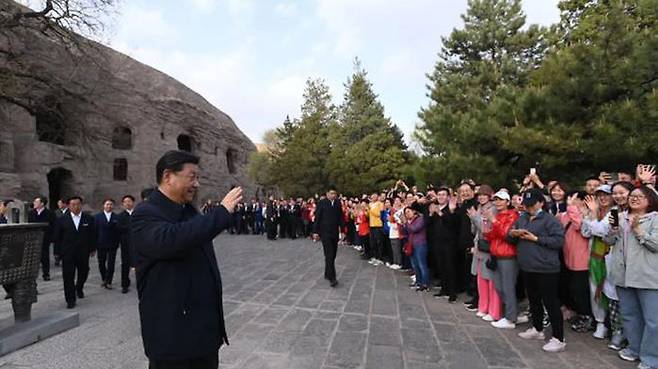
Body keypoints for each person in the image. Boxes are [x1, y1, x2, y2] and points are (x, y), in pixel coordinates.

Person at [130, 150, 242, 369]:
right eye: (192, 177)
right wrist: (221, 213)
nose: (197, 184)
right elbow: (172, 239)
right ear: (168, 176)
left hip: (204, 335)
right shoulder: (145, 213)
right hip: (173, 338)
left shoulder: (190, 212)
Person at [605, 186, 658, 368]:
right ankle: (634, 349)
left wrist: (638, 230)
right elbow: (608, 241)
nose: (634, 199)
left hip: (648, 277)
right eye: (632, 196)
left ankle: (651, 358)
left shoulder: (655, 218)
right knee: (629, 315)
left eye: (639, 196)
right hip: (623, 275)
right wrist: (613, 230)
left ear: (649, 199)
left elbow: (656, 244)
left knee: (653, 321)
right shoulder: (618, 217)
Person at [508, 188, 566, 353]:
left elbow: (558, 241)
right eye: (526, 204)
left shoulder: (550, 220)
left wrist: (536, 239)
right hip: (527, 266)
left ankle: (559, 338)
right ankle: (537, 328)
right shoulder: (522, 218)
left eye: (532, 204)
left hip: (546, 268)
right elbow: (510, 238)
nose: (529, 208)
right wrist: (513, 233)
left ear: (541, 203)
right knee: (533, 300)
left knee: (551, 302)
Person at [52, 196, 97, 309]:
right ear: (68, 206)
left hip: (83, 251)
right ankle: (70, 300)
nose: (76, 207)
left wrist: (93, 248)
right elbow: (57, 238)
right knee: (68, 276)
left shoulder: (88, 219)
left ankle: (79, 287)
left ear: (81, 205)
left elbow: (93, 235)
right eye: (73, 204)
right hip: (68, 253)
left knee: (84, 271)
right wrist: (57, 253)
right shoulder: (62, 220)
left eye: (78, 204)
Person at [487, 191, 522, 329]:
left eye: (501, 200)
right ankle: (513, 313)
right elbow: (493, 236)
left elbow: (506, 234)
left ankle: (510, 319)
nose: (498, 202)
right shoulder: (498, 216)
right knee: (499, 287)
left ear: (508, 202)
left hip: (508, 256)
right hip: (496, 254)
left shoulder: (513, 215)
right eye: (496, 200)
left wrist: (494, 222)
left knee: (507, 288)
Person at [466, 185, 500, 318]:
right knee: (480, 279)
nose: (481, 197)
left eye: (484, 195)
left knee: (490, 280)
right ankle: (483, 306)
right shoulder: (479, 208)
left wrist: (475, 218)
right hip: (478, 247)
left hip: (489, 248)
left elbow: (488, 230)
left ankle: (494, 311)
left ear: (490, 196)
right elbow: (474, 230)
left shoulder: (493, 209)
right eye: (479, 195)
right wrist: (474, 219)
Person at [428, 187, 459, 302]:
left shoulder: (452, 209)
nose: (441, 197)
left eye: (443, 194)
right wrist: (431, 214)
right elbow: (428, 225)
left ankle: (452, 292)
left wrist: (440, 213)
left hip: (449, 243)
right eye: (439, 194)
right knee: (440, 266)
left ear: (448, 197)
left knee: (450, 267)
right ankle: (444, 289)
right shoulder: (434, 208)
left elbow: (452, 224)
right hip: (437, 242)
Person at [312, 185, 344, 288]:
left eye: (334, 193)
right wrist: (315, 232)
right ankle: (332, 278)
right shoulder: (322, 203)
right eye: (331, 193)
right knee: (329, 254)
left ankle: (327, 273)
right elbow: (317, 218)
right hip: (325, 233)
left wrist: (343, 230)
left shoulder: (338, 203)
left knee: (333, 255)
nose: (333, 195)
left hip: (334, 232)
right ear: (327, 194)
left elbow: (341, 218)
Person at [27, 196, 56, 281]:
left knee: (45, 257)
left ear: (42, 203)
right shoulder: (31, 213)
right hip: (33, 239)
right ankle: (32, 275)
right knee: (32, 258)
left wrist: (51, 238)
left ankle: (46, 274)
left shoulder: (50, 213)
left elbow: (54, 226)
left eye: (36, 202)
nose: (34, 203)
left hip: (45, 238)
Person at [95, 199, 121, 290]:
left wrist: (118, 242)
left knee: (111, 263)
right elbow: (95, 231)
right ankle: (104, 278)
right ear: (103, 205)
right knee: (101, 262)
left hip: (112, 244)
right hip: (100, 243)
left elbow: (119, 231)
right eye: (107, 204)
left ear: (113, 206)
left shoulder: (117, 217)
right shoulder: (97, 217)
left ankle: (109, 281)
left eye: (111, 204)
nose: (109, 206)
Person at [404, 201, 430, 291]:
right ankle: (418, 282)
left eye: (409, 211)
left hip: (420, 244)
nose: (407, 214)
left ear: (414, 211)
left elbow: (415, 229)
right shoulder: (409, 221)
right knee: (415, 265)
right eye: (406, 213)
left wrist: (406, 223)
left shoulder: (420, 219)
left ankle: (425, 283)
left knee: (422, 264)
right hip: (412, 244)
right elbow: (406, 232)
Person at [117, 195, 136, 293]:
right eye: (125, 202)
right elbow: (119, 229)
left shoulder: (138, 214)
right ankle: (125, 284)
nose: (128, 203)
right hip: (126, 243)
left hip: (138, 243)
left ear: (133, 202)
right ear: (123, 204)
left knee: (139, 263)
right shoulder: (120, 216)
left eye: (129, 201)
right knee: (125, 264)